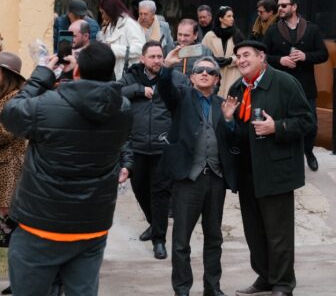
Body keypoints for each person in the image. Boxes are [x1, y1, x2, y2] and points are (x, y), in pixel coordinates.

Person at [0, 41, 133, 296]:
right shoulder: (124, 109)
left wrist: (42, 75)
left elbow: (10, 114)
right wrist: (79, 76)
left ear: (78, 71)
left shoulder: (47, 105)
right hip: (91, 225)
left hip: (42, 223)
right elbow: (98, 95)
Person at [222, 40, 313, 296]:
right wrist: (228, 120)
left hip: (276, 171)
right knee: (255, 231)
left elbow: (307, 121)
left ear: (262, 56)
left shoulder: (284, 82)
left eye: (246, 55)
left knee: (278, 233)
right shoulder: (237, 88)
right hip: (247, 171)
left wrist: (278, 128)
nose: (241, 59)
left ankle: (283, 283)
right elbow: (237, 133)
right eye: (238, 56)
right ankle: (265, 277)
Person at [158, 56, 238, 296]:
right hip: (187, 179)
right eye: (199, 70)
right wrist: (166, 67)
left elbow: (232, 142)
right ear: (191, 77)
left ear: (216, 79)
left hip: (215, 178)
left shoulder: (223, 104)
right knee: (181, 240)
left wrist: (229, 120)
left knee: (214, 238)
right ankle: (182, 289)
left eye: (210, 71)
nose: (204, 73)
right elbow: (164, 89)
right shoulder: (181, 98)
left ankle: (212, 288)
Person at [119, 41, 184, 260]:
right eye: (153, 56)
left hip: (161, 147)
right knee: (139, 189)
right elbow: (116, 92)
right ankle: (154, 223)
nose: (157, 60)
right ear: (143, 59)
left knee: (160, 194)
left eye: (160, 56)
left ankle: (159, 240)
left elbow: (182, 98)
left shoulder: (172, 77)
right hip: (136, 146)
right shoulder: (131, 76)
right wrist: (139, 90)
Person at [263, 0, 329, 172]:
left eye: (284, 5)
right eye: (279, 6)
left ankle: (308, 151)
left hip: (306, 86)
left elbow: (323, 54)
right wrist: (280, 60)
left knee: (311, 124)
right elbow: (263, 56)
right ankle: (287, 156)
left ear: (294, 7)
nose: (280, 9)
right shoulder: (273, 30)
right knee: (283, 122)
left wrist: (305, 56)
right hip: (281, 86)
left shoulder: (311, 29)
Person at [0, 52, 27, 295]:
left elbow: (2, 134)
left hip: (11, 170)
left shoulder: (16, 100)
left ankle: (20, 281)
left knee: (10, 230)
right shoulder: (0, 96)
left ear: (7, 74)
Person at [96, 0, 146, 80]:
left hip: (129, 75)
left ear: (110, 10)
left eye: (103, 13)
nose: (102, 17)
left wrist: (112, 48)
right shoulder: (110, 26)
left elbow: (140, 49)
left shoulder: (130, 24)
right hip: (113, 74)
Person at [203, 6, 244, 98]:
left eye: (232, 16)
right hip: (214, 73)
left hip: (233, 73)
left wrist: (231, 60)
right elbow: (203, 53)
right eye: (228, 16)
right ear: (221, 19)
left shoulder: (237, 34)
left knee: (231, 98)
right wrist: (213, 59)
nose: (232, 19)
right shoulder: (210, 35)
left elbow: (244, 54)